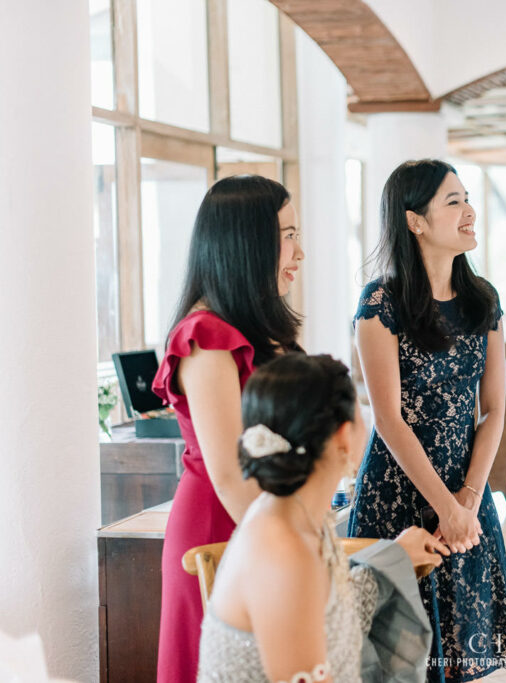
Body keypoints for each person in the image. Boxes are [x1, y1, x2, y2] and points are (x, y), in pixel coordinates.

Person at [348, 159, 506, 681]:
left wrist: (467, 500)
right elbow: (389, 419)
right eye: (454, 201)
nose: (470, 211)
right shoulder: (381, 303)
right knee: (396, 657)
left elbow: (493, 409)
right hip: (397, 496)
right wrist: (446, 506)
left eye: (468, 199)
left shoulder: (482, 300)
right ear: (415, 220)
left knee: (458, 657)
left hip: (467, 495)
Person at [197, 353, 447, 682]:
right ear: (344, 435)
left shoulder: (296, 514)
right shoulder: (283, 551)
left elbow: (326, 613)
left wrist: (396, 555)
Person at [152, 175, 304, 682]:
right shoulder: (206, 336)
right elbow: (228, 472)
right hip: (220, 527)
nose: (297, 252)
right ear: (245, 241)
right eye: (286, 234)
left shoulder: (251, 330)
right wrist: (294, 548)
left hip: (257, 517)